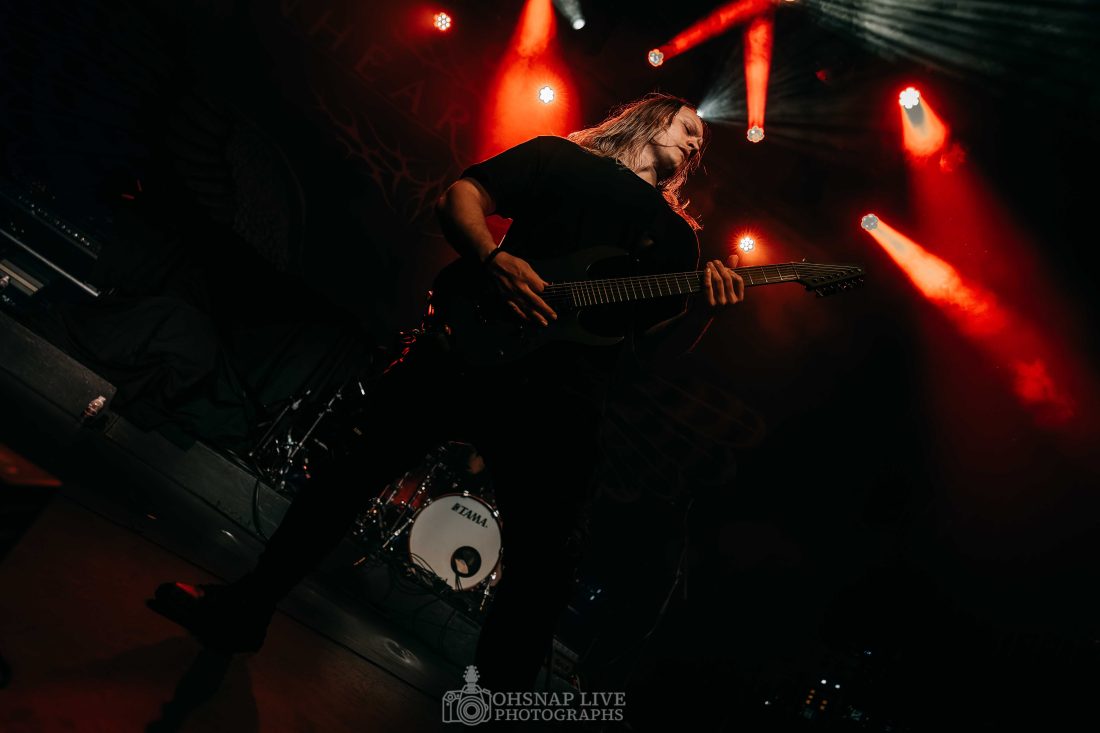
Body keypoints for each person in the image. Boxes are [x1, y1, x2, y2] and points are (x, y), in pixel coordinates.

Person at [147, 92, 746, 691]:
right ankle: (245, 607)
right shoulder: (560, 158)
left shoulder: (676, 240)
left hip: (562, 399)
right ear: (649, 119)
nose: (697, 141)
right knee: (351, 473)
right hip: (468, 349)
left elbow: (649, 352)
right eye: (688, 126)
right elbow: (462, 196)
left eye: (701, 140)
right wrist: (490, 257)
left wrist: (704, 312)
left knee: (545, 563)